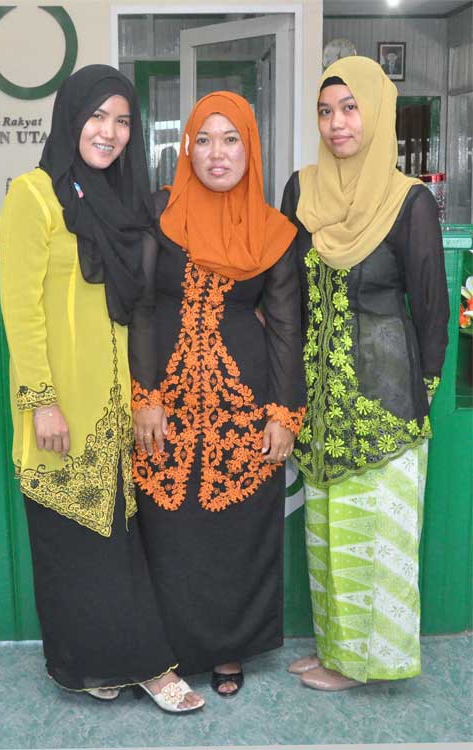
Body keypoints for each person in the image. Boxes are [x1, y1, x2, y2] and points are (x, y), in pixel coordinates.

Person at [0, 64, 204, 712]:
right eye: (96, 116)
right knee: (67, 548)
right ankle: (128, 667)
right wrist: (41, 402)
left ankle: (108, 662)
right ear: (70, 118)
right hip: (59, 407)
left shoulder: (122, 203)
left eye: (122, 121)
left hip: (111, 408)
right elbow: (20, 311)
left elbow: (136, 307)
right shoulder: (33, 196)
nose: (109, 132)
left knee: (112, 545)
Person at [281, 56, 449, 691]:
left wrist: (421, 394)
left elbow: (431, 308)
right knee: (329, 533)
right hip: (321, 398)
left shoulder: (409, 201)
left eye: (350, 108)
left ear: (377, 113)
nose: (337, 123)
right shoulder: (302, 191)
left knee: (375, 537)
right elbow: (289, 293)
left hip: (385, 397)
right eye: (326, 111)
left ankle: (365, 663)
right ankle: (335, 650)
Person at [129, 91, 305, 696]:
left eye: (231, 140)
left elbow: (285, 325)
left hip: (243, 402)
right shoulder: (159, 212)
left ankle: (230, 649)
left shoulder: (274, 231)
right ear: (187, 148)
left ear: (250, 148)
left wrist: (284, 412)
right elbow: (141, 307)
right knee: (169, 528)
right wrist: (145, 395)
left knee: (237, 527)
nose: (217, 153)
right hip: (167, 399)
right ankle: (173, 647)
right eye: (203, 140)